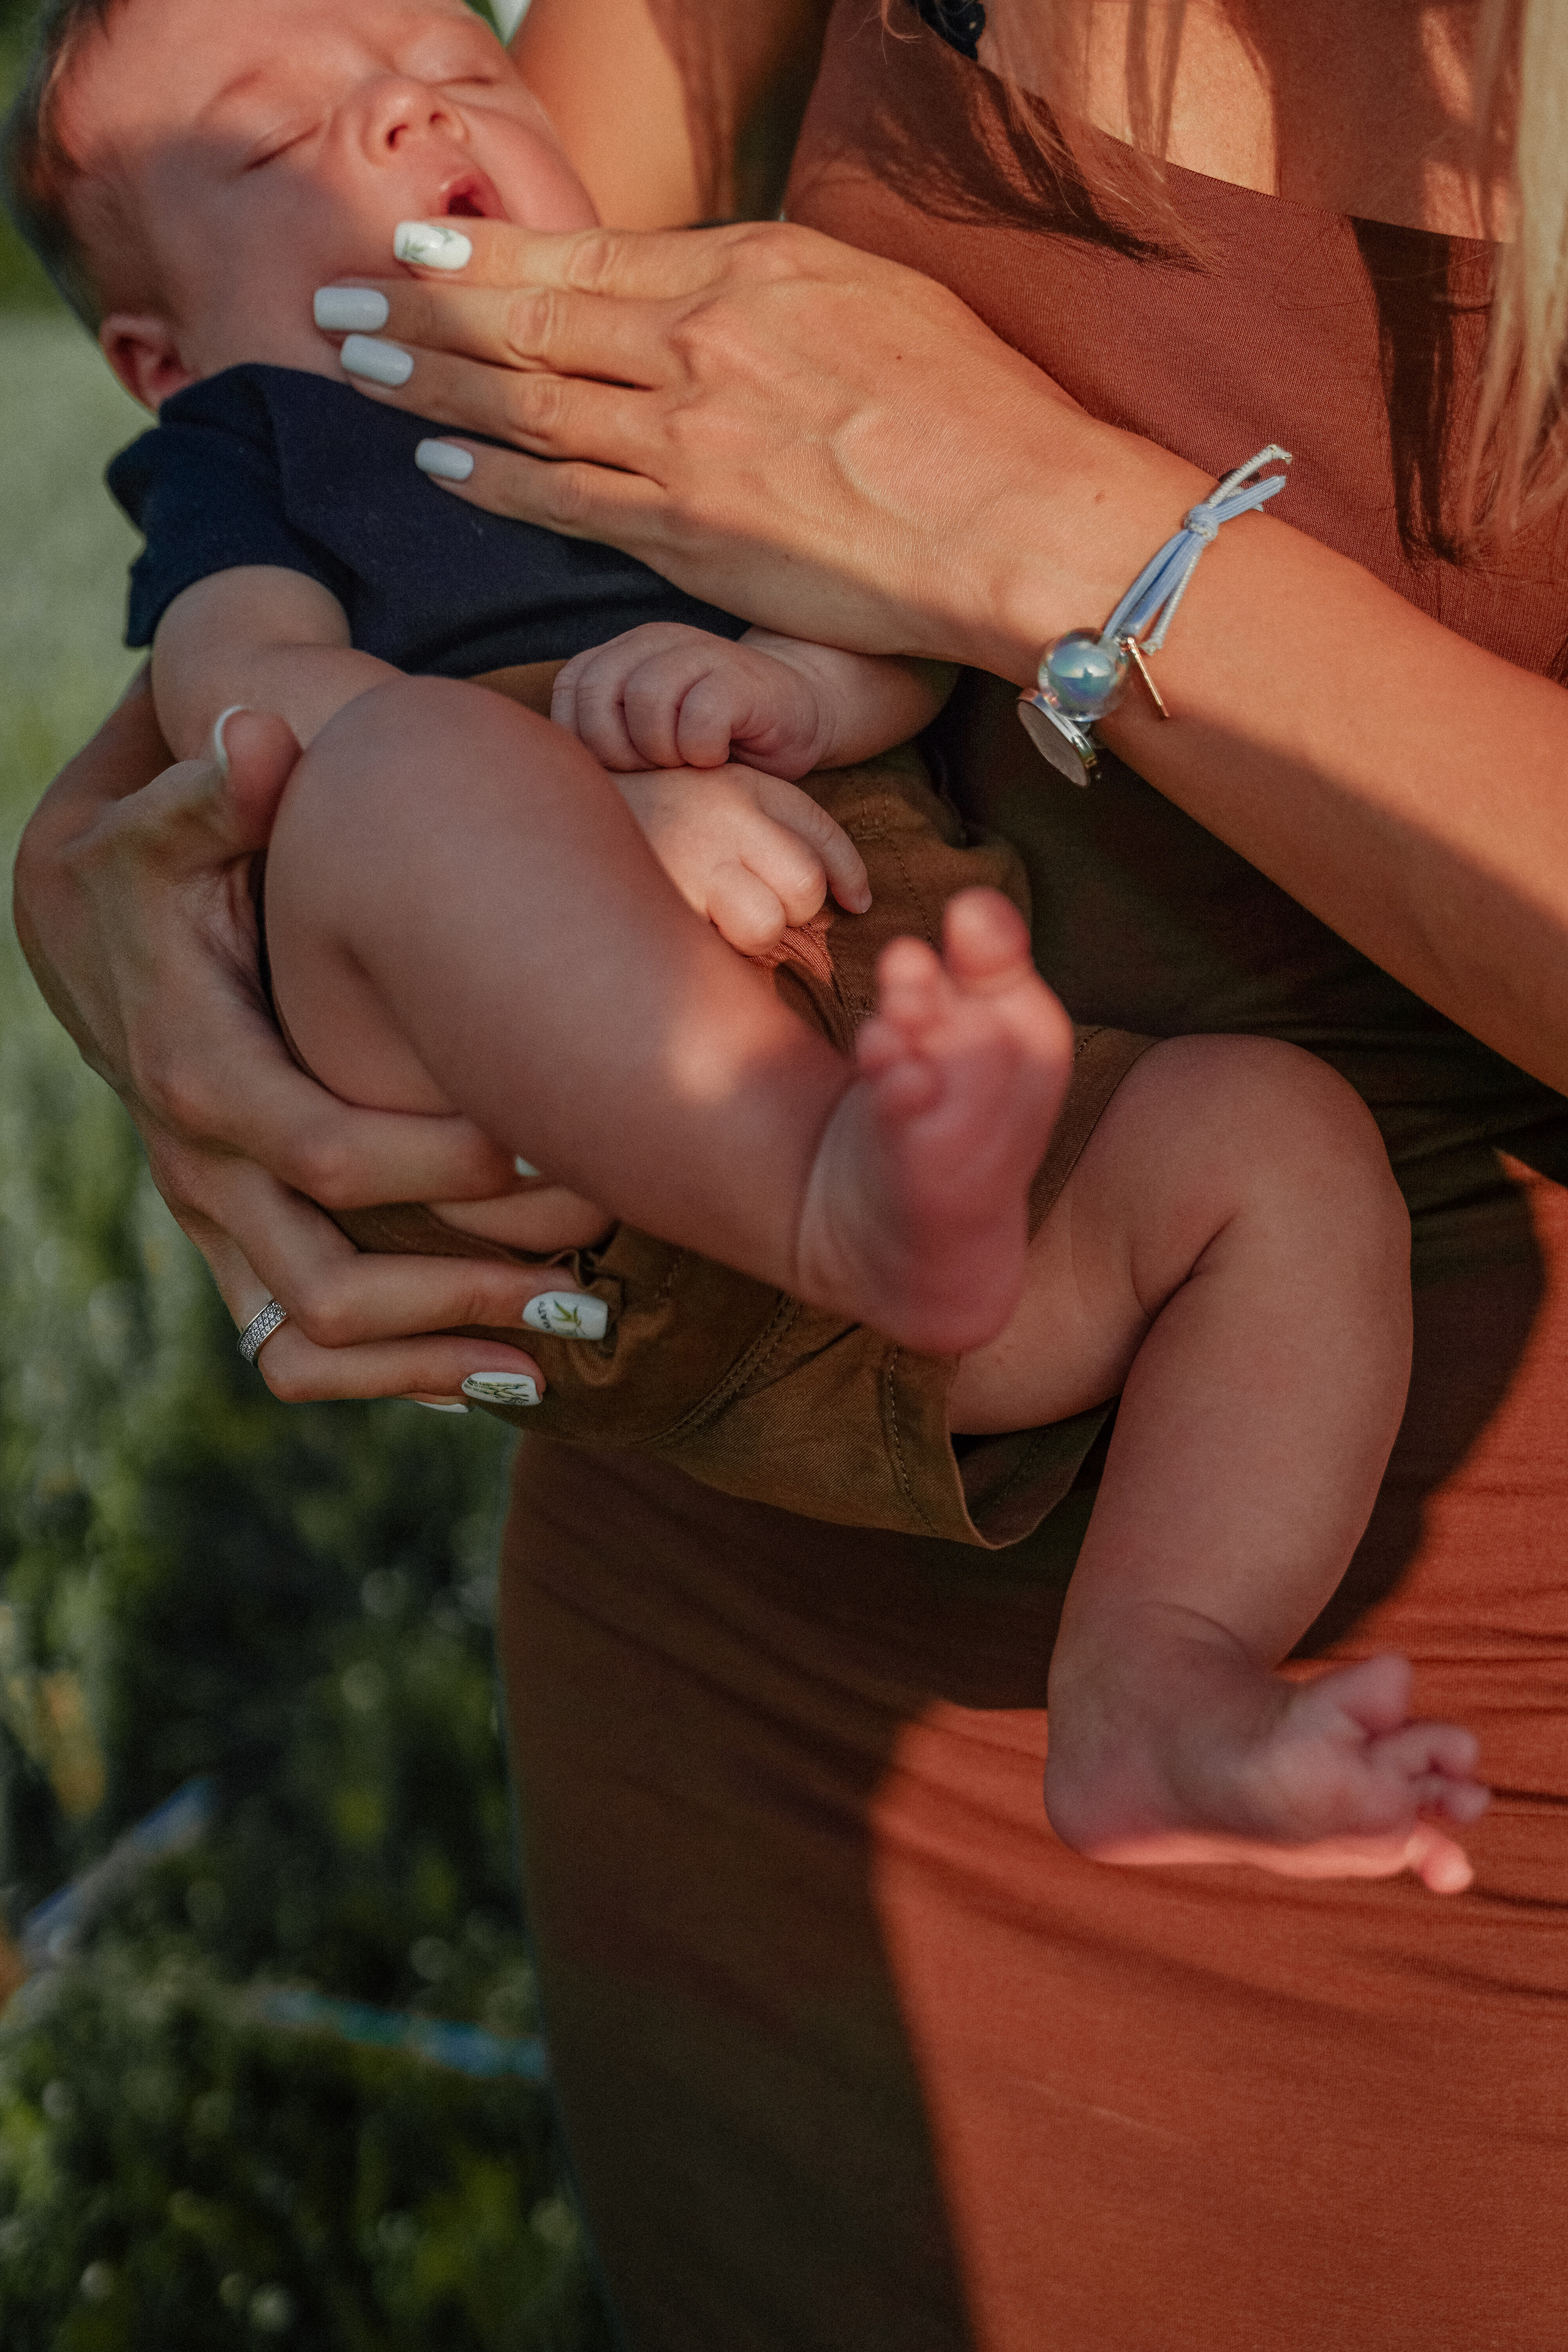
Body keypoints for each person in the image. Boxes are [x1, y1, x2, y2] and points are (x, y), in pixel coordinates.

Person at [12, 0, 1568, 2343]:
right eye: (282, 138)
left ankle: (1161, 1673)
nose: (413, 106)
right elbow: (256, 715)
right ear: (152, 345)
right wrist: (101, 890)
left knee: (1277, 1151)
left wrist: (976, 572)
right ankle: (839, 1185)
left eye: (435, 47)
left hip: (1311, 1541)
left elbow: (875, 611)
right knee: (416, 776)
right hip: (677, 1302)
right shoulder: (269, 441)